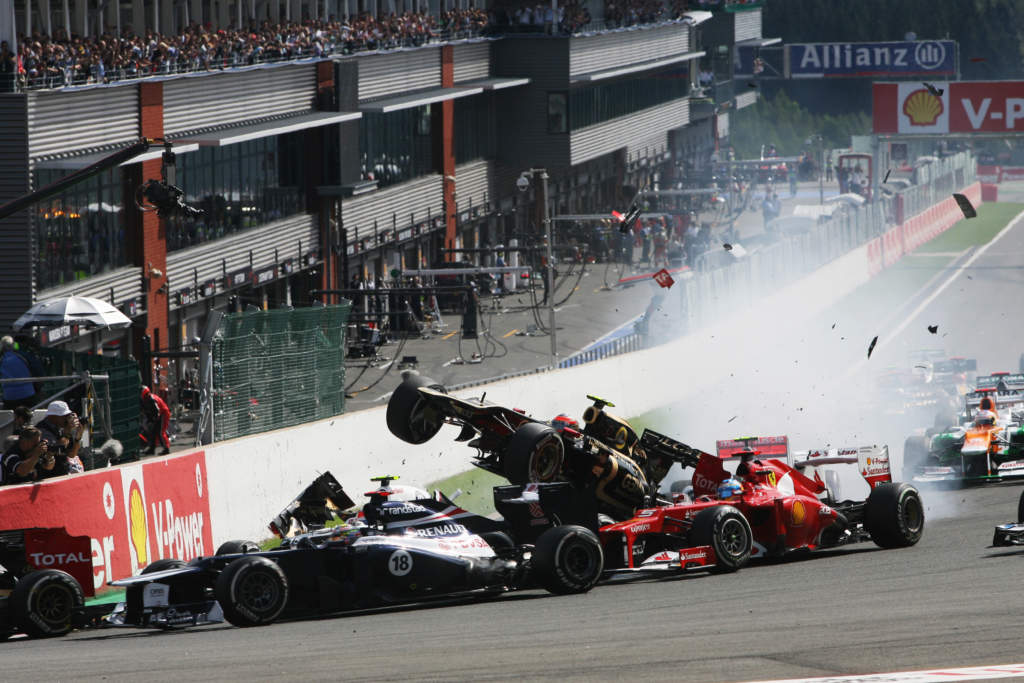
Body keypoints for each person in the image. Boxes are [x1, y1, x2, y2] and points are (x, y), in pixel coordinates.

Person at [35, 400, 85, 476]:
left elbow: (71, 454)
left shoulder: (61, 427)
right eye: (64, 416)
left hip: (62, 473)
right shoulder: (42, 430)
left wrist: (78, 437)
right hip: (49, 476)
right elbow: (57, 449)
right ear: (52, 416)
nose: (67, 419)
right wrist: (67, 431)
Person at [0, 336, 37, 410]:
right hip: (28, 392)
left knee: (10, 418)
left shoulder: (1, 360)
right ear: (13, 345)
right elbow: (36, 370)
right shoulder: (23, 356)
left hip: (9, 396)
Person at [141, 385, 171, 455]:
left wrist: (154, 419)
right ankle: (152, 449)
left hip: (163, 413)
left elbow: (157, 410)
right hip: (159, 415)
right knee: (154, 432)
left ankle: (166, 448)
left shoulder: (151, 399)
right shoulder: (147, 399)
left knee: (161, 432)